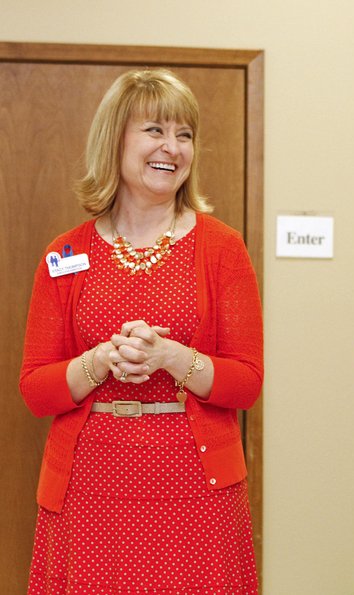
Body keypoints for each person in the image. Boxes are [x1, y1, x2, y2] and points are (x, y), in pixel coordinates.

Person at [19, 68, 263, 593]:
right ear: (116, 140)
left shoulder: (223, 248)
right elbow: (36, 390)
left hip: (197, 489)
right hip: (87, 490)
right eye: (154, 130)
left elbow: (246, 383)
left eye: (184, 134)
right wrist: (101, 359)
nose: (171, 148)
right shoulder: (65, 253)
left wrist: (173, 357)